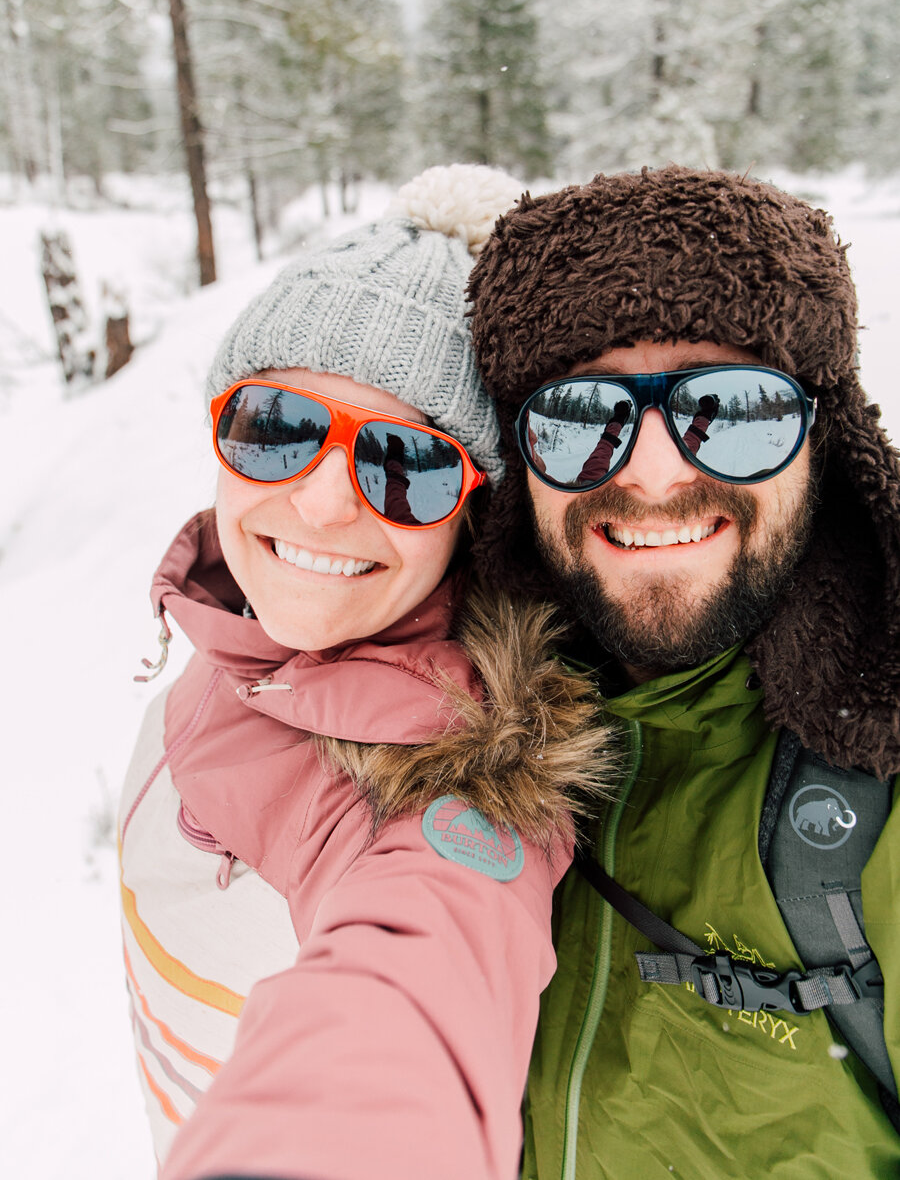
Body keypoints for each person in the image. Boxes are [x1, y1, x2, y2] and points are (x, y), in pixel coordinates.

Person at [119, 165, 612, 1180]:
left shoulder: (453, 779)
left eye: (405, 463)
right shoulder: (235, 625)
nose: (322, 505)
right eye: (280, 429)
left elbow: (421, 968)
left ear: (472, 511)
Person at [467, 164, 900, 1178]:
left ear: (825, 440)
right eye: (581, 418)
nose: (653, 476)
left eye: (735, 409)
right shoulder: (439, 728)